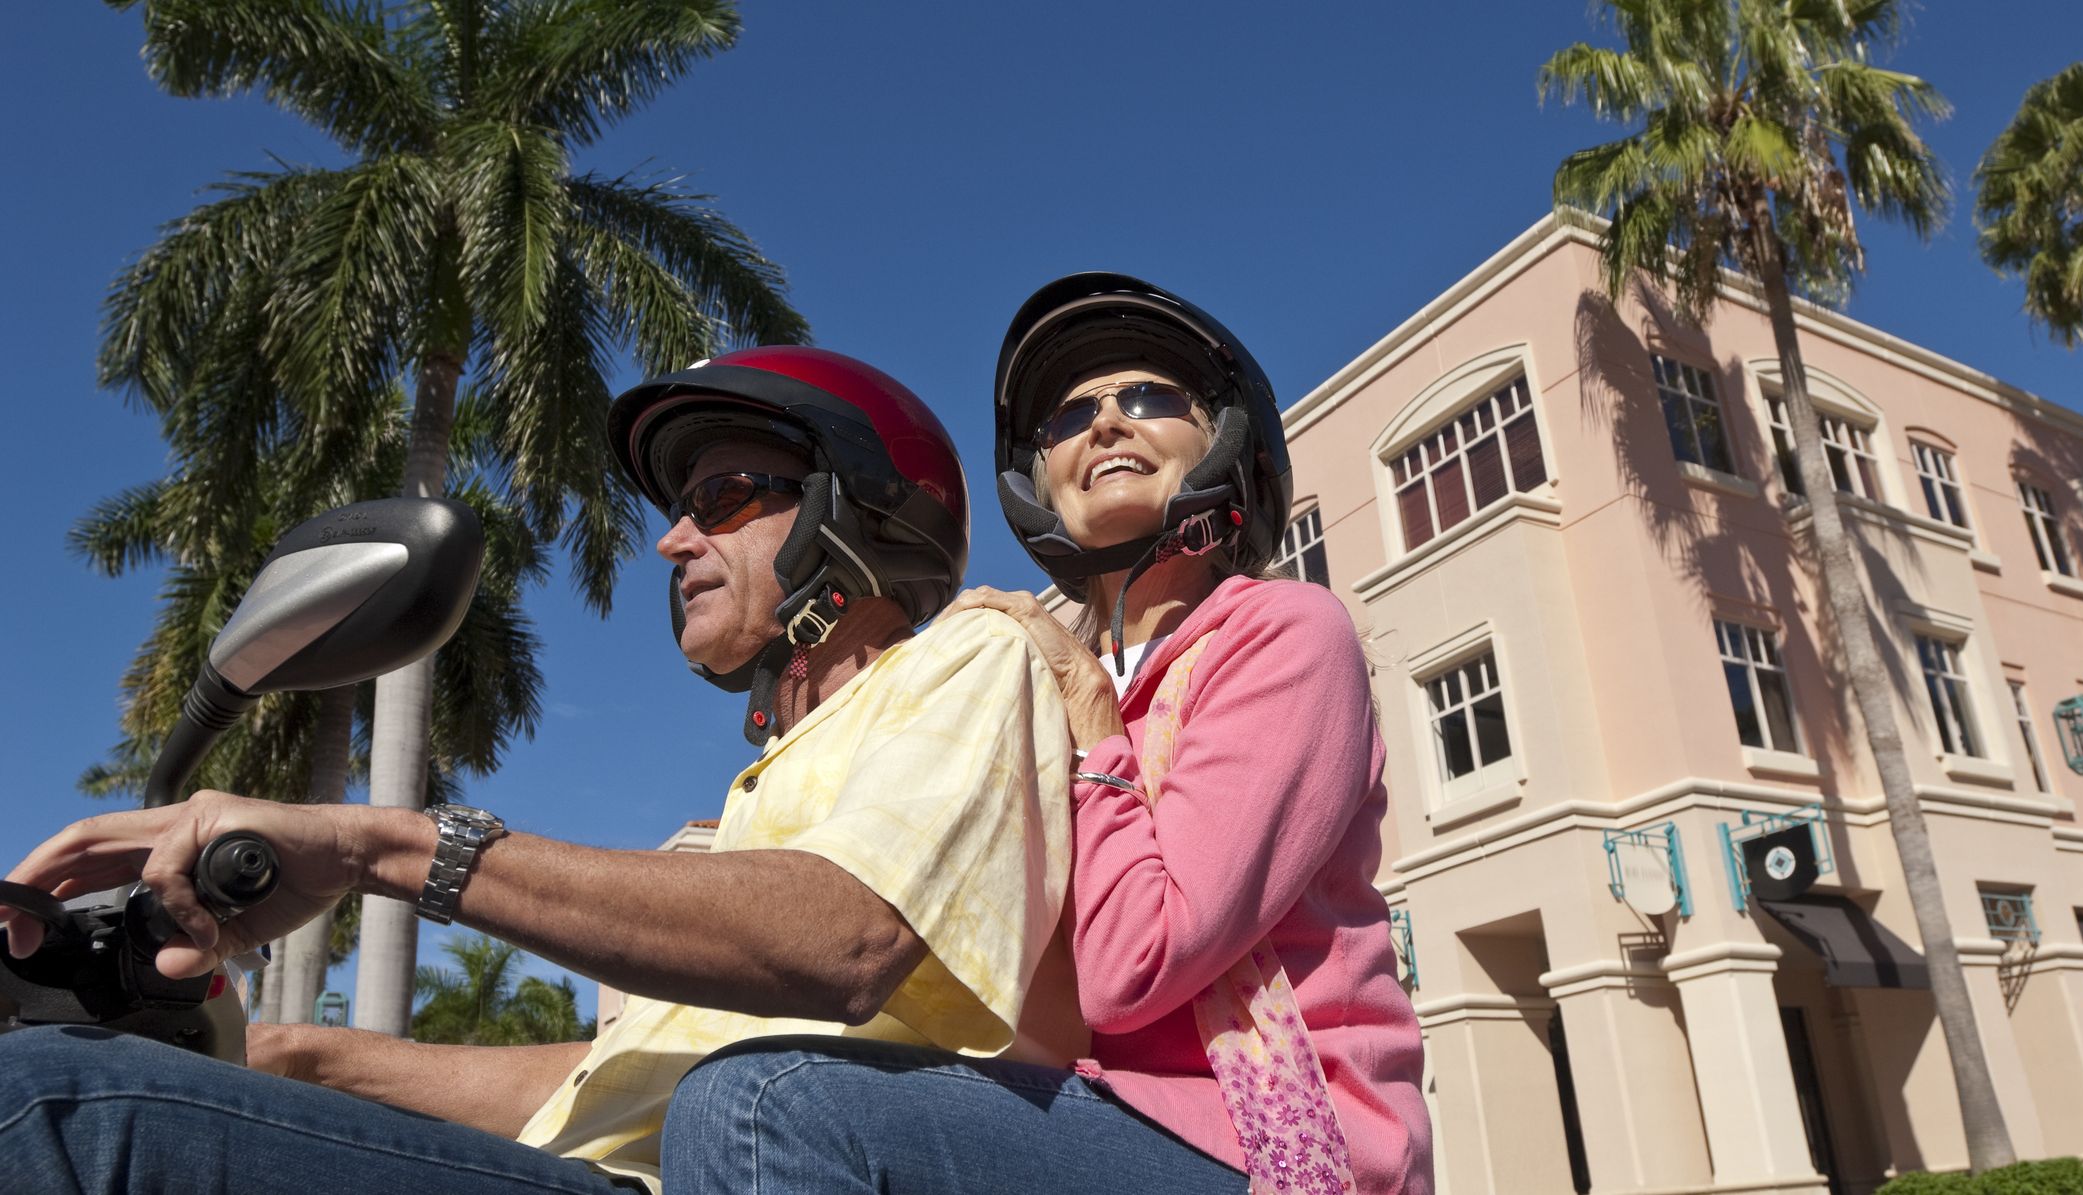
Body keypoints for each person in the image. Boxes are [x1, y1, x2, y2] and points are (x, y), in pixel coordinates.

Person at [0, 346, 1083, 1194]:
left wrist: (374, 842)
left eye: (723, 499)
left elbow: (849, 937)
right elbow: (604, 1088)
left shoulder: (965, 659)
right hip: (582, 1165)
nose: (671, 542)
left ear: (852, 507)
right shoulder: (744, 812)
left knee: (55, 1110)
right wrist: (291, 1058)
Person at [664, 277, 1431, 1194]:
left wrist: (1095, 727)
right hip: (1074, 1109)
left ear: (1223, 440)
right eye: (1068, 418)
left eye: (1148, 398)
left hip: (1270, 1142)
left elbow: (1133, 966)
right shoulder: (1024, 663)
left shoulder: (1284, 631)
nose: (1104, 424)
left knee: (763, 1105)